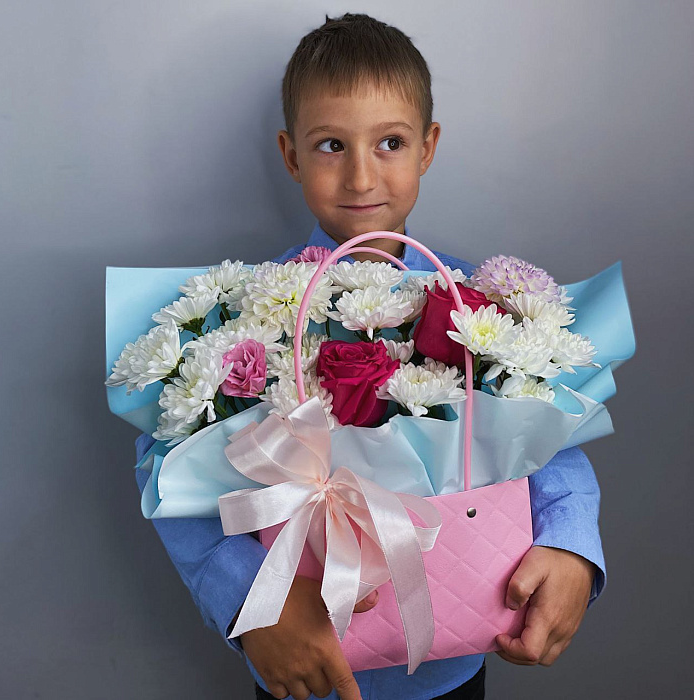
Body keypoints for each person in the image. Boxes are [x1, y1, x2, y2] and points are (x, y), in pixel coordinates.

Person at [134, 13, 604, 700]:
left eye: (390, 142)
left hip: (456, 657)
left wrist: (569, 545)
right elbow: (171, 470)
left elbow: (552, 434)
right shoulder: (247, 317)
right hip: (310, 658)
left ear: (428, 148)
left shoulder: (484, 308)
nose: (360, 175)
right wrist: (251, 605)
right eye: (330, 145)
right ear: (291, 155)